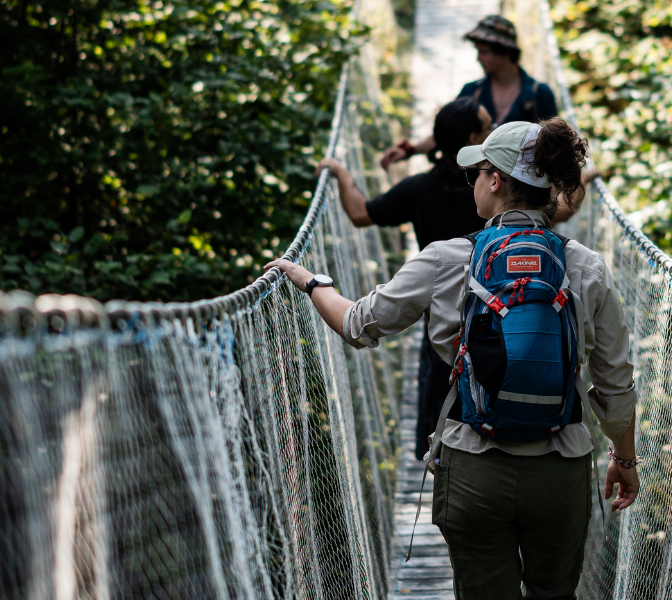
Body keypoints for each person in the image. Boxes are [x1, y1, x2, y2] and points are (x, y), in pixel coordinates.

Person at [267, 117, 639, 599]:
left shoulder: (445, 258)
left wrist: (312, 282)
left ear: (496, 180)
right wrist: (624, 458)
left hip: (473, 465)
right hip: (560, 466)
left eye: (476, 173)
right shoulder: (586, 265)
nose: (474, 183)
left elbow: (358, 323)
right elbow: (615, 384)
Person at [318, 97, 494, 459]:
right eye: (487, 127)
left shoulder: (419, 188)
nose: (493, 131)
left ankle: (439, 463)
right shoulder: (495, 189)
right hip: (498, 309)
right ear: (474, 139)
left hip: (441, 315)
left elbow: (359, 213)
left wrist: (342, 174)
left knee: (439, 400)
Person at [380, 15, 558, 169]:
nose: (478, 58)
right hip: (475, 190)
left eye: (484, 52)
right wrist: (409, 150)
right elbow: (448, 134)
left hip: (523, 195)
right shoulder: (471, 91)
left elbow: (554, 148)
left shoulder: (539, 94)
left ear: (506, 53)